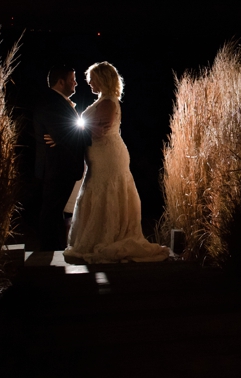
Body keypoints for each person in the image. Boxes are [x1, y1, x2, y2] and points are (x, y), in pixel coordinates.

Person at [62, 62, 169, 263]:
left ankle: (108, 237)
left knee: (106, 190)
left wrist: (70, 133)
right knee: (96, 190)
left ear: (103, 78)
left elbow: (100, 130)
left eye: (92, 79)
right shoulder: (102, 100)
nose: (90, 83)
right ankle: (99, 236)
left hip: (108, 157)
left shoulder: (109, 102)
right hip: (99, 156)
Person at [33, 66, 90, 251]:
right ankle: (48, 252)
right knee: (50, 212)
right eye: (72, 78)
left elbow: (65, 133)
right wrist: (79, 133)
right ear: (61, 81)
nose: (76, 82)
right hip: (56, 168)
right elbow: (65, 132)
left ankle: (53, 251)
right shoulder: (52, 102)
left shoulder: (58, 101)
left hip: (59, 168)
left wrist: (64, 136)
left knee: (54, 212)